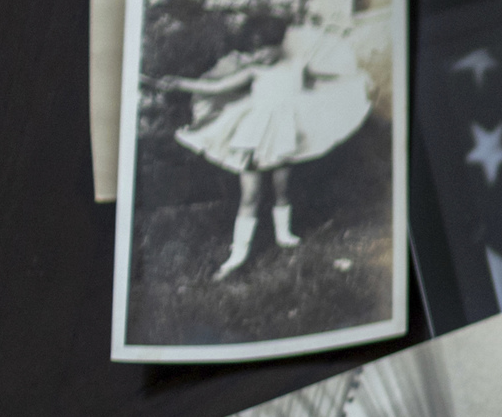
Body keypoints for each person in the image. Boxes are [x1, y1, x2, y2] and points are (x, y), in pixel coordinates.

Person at [153, 16, 372, 279]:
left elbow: (335, 75)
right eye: (254, 50)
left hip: (284, 136)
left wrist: (358, 81)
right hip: (255, 136)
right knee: (250, 196)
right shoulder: (254, 70)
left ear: (279, 43)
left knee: (283, 189)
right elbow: (215, 86)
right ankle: (238, 254)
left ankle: (285, 236)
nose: (259, 55)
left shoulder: (297, 65)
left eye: (264, 48)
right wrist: (180, 82)